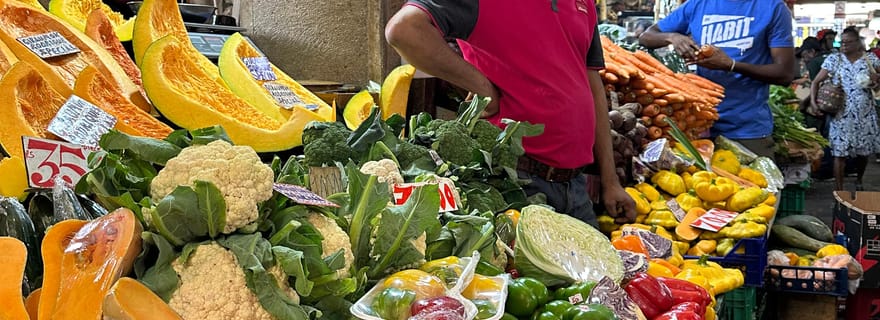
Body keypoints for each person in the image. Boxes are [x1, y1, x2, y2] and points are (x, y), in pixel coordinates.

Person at [384, 0, 636, 227]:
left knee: (602, 278)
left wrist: (610, 181)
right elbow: (405, 30)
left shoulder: (584, 3)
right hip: (516, 184)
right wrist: (479, 85)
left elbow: (593, 87)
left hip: (576, 186)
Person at [638, 0, 795, 158]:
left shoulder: (773, 8)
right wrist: (673, 37)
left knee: (754, 181)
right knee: (697, 181)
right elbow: (646, 37)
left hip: (747, 130)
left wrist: (731, 65)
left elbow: (785, 74)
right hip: (698, 125)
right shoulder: (698, 4)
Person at [810, 27, 880, 191]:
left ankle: (859, 179)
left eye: (848, 42)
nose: (844, 45)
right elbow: (815, 82)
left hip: (865, 113)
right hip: (840, 114)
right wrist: (813, 102)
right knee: (839, 153)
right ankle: (839, 189)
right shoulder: (834, 60)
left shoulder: (870, 60)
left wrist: (875, 81)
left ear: (858, 43)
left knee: (864, 152)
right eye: (842, 42)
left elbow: (877, 87)